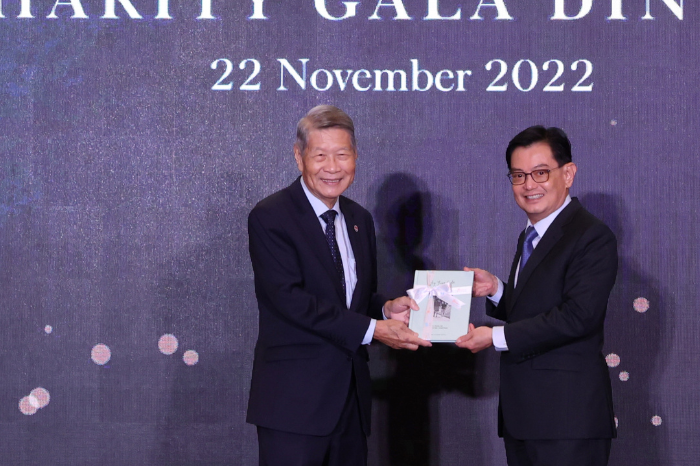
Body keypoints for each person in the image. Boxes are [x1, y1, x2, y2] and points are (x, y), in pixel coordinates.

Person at [246, 105, 430, 466]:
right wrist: (375, 329)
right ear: (299, 158)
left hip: (350, 402)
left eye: (342, 155)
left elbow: (353, 296)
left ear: (356, 158)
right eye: (320, 155)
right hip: (293, 407)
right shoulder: (271, 217)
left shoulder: (358, 218)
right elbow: (290, 300)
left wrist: (384, 308)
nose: (333, 167)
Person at [456, 125, 619, 466]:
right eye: (518, 176)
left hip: (568, 420)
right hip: (525, 418)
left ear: (568, 173)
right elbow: (539, 305)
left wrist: (494, 337)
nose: (529, 185)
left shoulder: (591, 236)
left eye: (540, 173)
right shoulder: (531, 234)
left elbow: (578, 316)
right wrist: (498, 289)